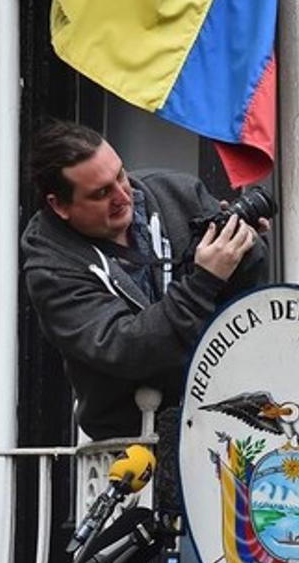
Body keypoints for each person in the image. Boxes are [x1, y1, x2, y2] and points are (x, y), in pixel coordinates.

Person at [21, 120, 267, 440]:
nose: (124, 195)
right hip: (130, 441)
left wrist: (243, 247)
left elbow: (246, 291)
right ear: (60, 205)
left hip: (221, 418)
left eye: (120, 174)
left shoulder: (176, 193)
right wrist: (205, 280)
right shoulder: (51, 269)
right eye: (101, 193)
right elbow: (128, 349)